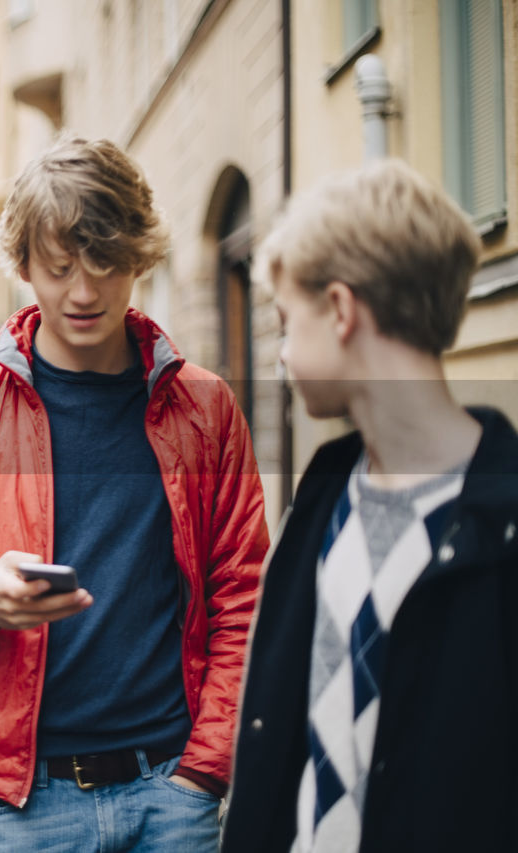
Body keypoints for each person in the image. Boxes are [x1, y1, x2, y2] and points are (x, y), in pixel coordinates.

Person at [0, 135, 268, 852]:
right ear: (22, 264)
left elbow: (243, 592)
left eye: (106, 263)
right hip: (10, 806)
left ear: (141, 257)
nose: (83, 292)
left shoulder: (204, 408)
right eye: (58, 268)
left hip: (169, 792)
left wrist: (207, 769)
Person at [223, 160, 517, 852]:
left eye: (286, 322)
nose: (283, 356)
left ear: (342, 310)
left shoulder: (503, 527)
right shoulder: (323, 497)